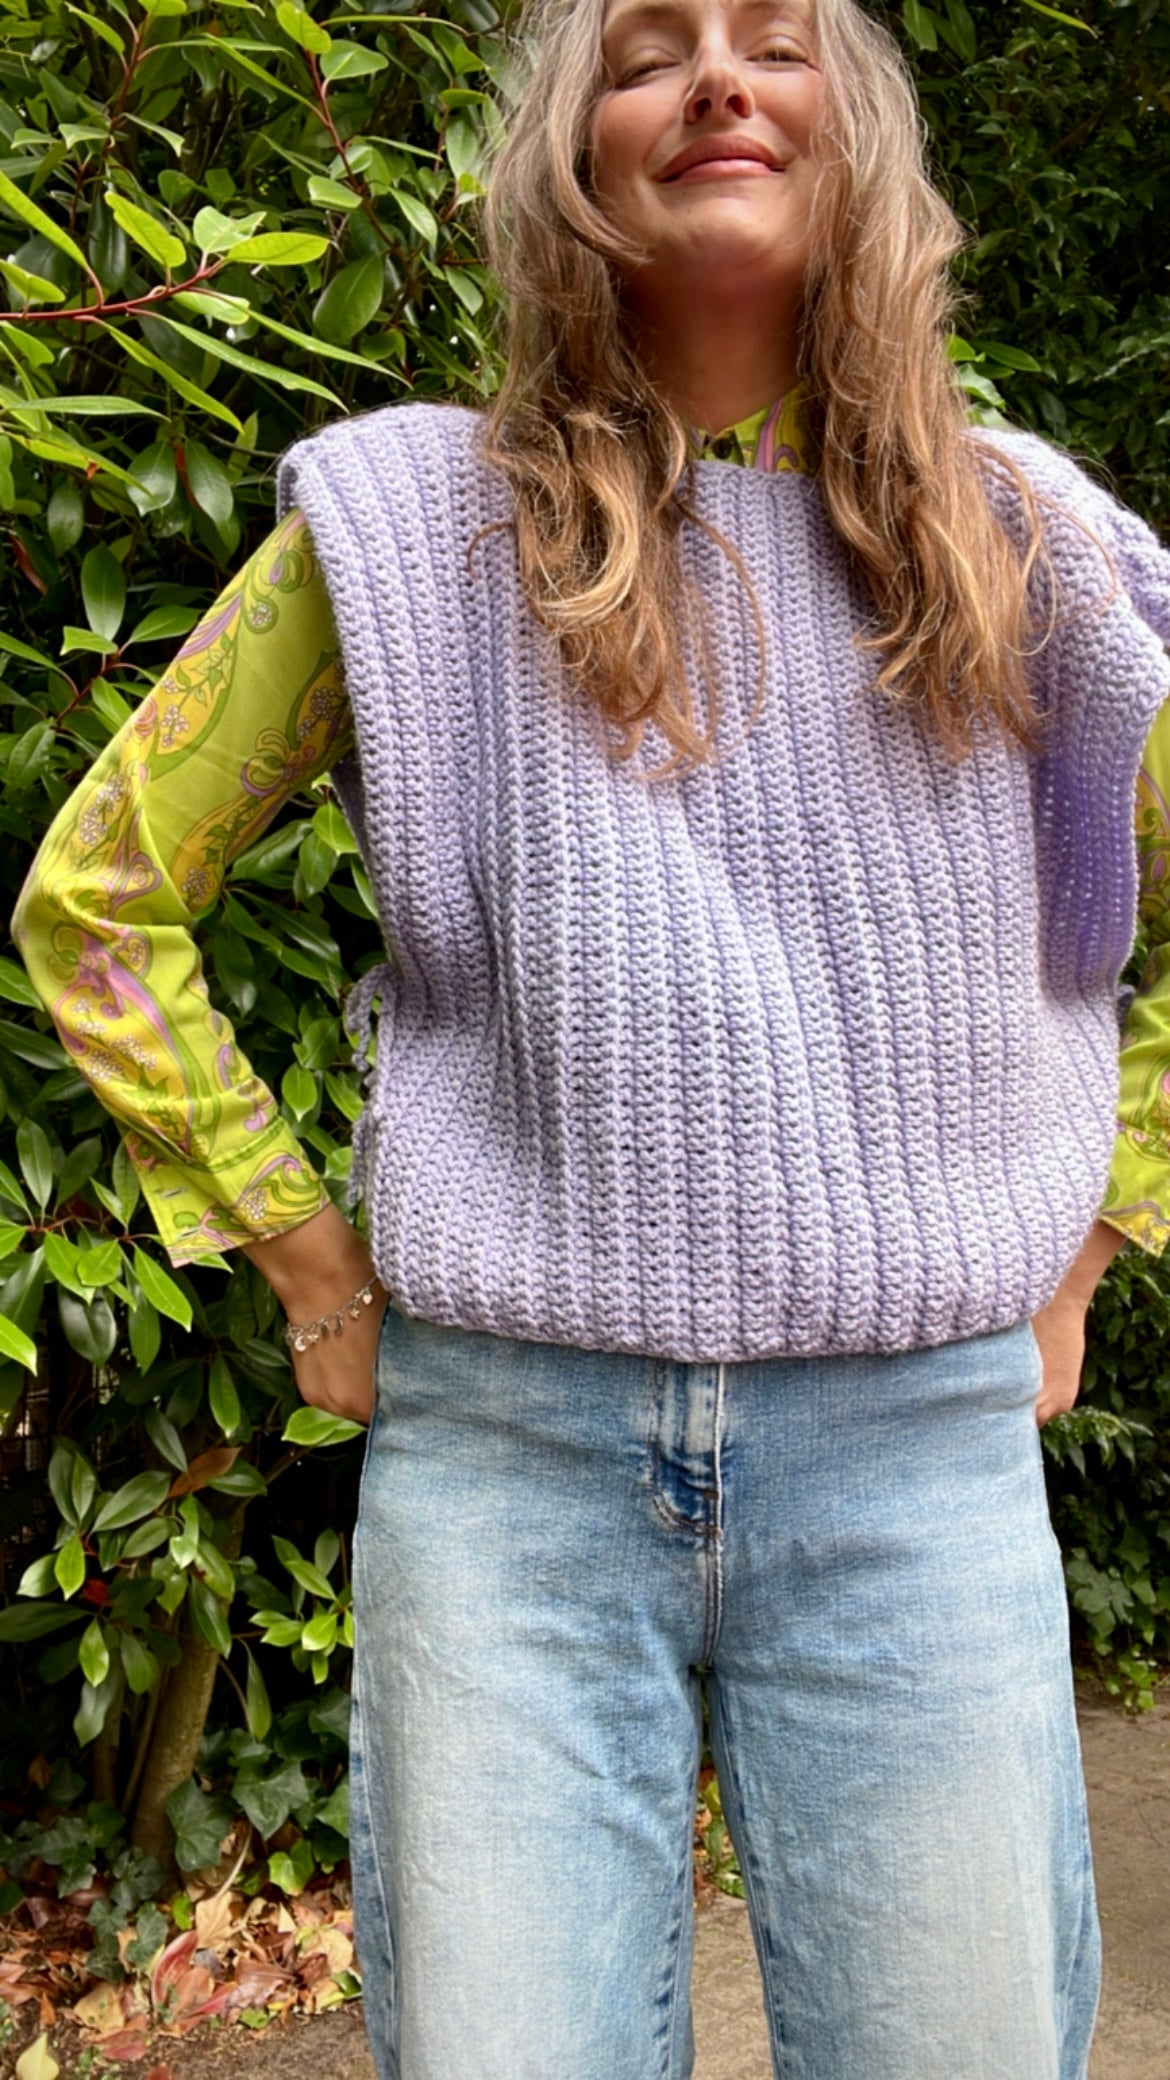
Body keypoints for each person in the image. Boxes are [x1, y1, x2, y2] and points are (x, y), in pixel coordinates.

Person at [13, 0, 1170, 2072]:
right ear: (566, 151)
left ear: (861, 133)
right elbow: (95, 893)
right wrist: (301, 1256)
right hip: (508, 1478)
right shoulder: (403, 535)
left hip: (913, 1465)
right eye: (648, 50)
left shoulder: (1030, 551)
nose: (718, 79)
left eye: (775, 42)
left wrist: (1094, 1240)